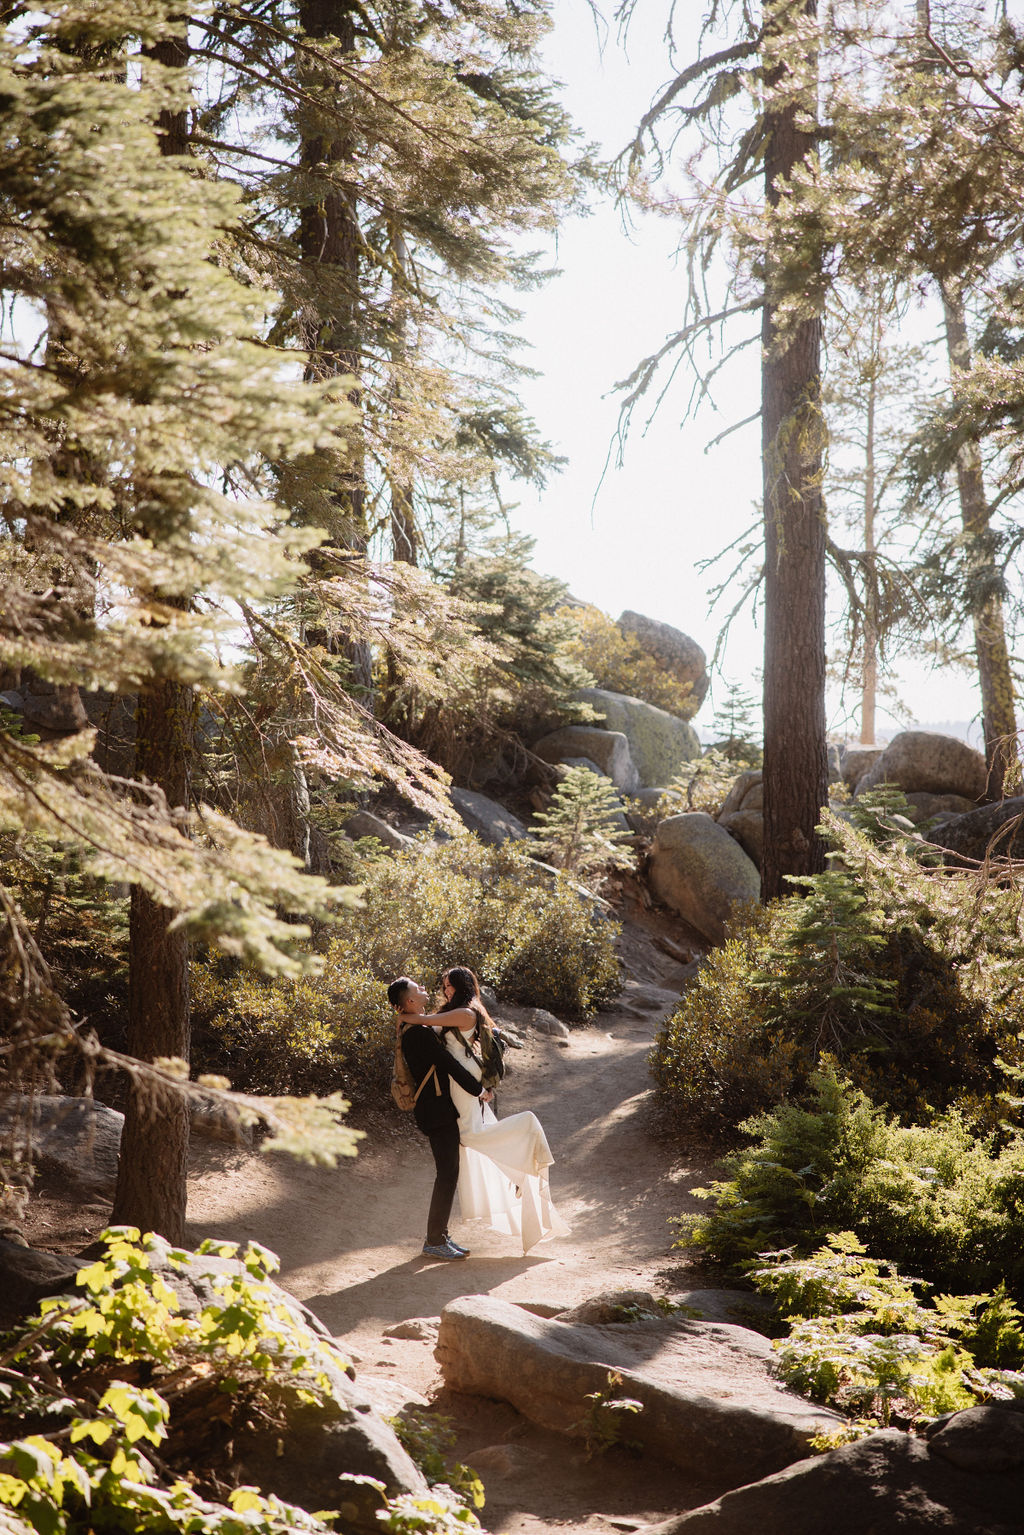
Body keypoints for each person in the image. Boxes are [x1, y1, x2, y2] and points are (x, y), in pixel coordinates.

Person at [398, 966, 569, 1254]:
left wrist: (403, 1015)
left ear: (461, 986)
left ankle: (521, 1157)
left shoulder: (466, 1012)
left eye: (448, 985)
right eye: (443, 985)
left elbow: (425, 1020)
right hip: (460, 1083)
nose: (444, 990)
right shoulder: (458, 1012)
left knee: (472, 1135)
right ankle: (516, 1173)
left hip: (463, 1082)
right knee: (472, 1136)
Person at [387, 976, 490, 1262]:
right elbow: (447, 1063)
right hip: (435, 1110)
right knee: (447, 1174)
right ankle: (434, 1240)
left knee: (449, 1173)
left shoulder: (415, 1027)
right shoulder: (416, 1033)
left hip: (437, 1108)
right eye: (417, 989)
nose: (424, 989)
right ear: (409, 1001)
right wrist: (478, 1090)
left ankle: (440, 1236)